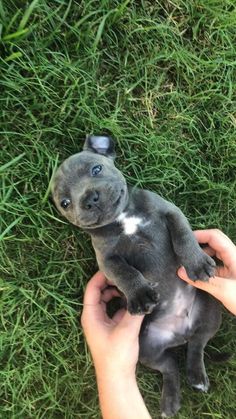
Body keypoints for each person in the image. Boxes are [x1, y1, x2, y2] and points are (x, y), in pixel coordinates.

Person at [81, 229, 236, 419]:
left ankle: (196, 349)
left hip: (191, 299)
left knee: (210, 316)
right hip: (156, 324)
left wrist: (113, 371)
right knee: (144, 350)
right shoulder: (111, 250)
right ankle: (170, 372)